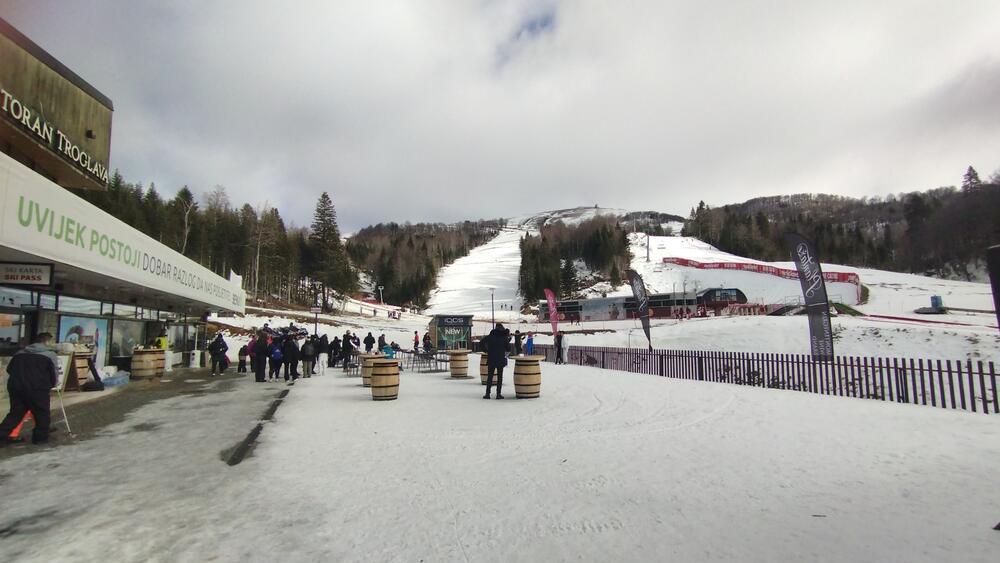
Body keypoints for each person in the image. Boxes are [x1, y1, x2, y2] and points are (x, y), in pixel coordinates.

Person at [0, 332, 58, 445]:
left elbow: (9, 369)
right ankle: (40, 438)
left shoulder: (19, 353)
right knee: (42, 413)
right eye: (51, 342)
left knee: (16, 413)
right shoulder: (49, 355)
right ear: (46, 341)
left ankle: (1, 435)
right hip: (37, 388)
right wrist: (52, 384)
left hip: (16, 387)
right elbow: (54, 373)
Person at [483, 323, 510, 400]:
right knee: (500, 377)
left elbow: (481, 343)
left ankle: (487, 394)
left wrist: (486, 350)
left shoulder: (490, 336)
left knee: (490, 377)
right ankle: (498, 394)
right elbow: (508, 348)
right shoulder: (504, 337)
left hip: (491, 358)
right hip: (500, 359)